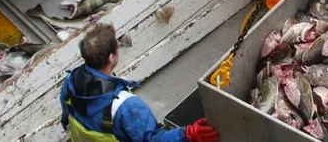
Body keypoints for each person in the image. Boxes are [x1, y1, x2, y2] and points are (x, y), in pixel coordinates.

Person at [59, 23, 219, 142]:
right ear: (111, 58)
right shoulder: (127, 106)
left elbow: (66, 118)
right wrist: (187, 133)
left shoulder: (70, 82)